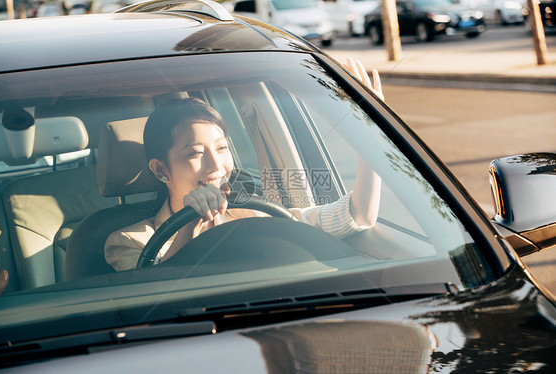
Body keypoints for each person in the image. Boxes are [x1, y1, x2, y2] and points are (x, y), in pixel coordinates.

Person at [104, 60, 384, 271]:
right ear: (160, 170)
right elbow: (158, 295)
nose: (217, 165)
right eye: (195, 153)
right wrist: (190, 224)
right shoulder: (129, 241)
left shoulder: (256, 215)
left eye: (222, 148)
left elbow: (357, 216)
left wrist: (371, 133)